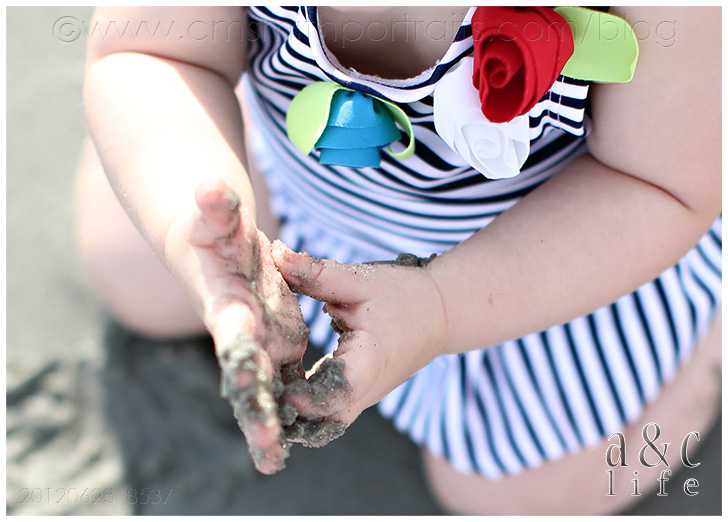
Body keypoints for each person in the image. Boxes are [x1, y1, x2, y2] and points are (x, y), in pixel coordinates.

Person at [77, 6, 721, 515]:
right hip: (308, 199)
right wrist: (201, 219)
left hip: (543, 268)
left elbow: (655, 185)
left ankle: (703, 354)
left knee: (517, 497)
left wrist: (443, 305)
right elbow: (153, 52)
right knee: (133, 272)